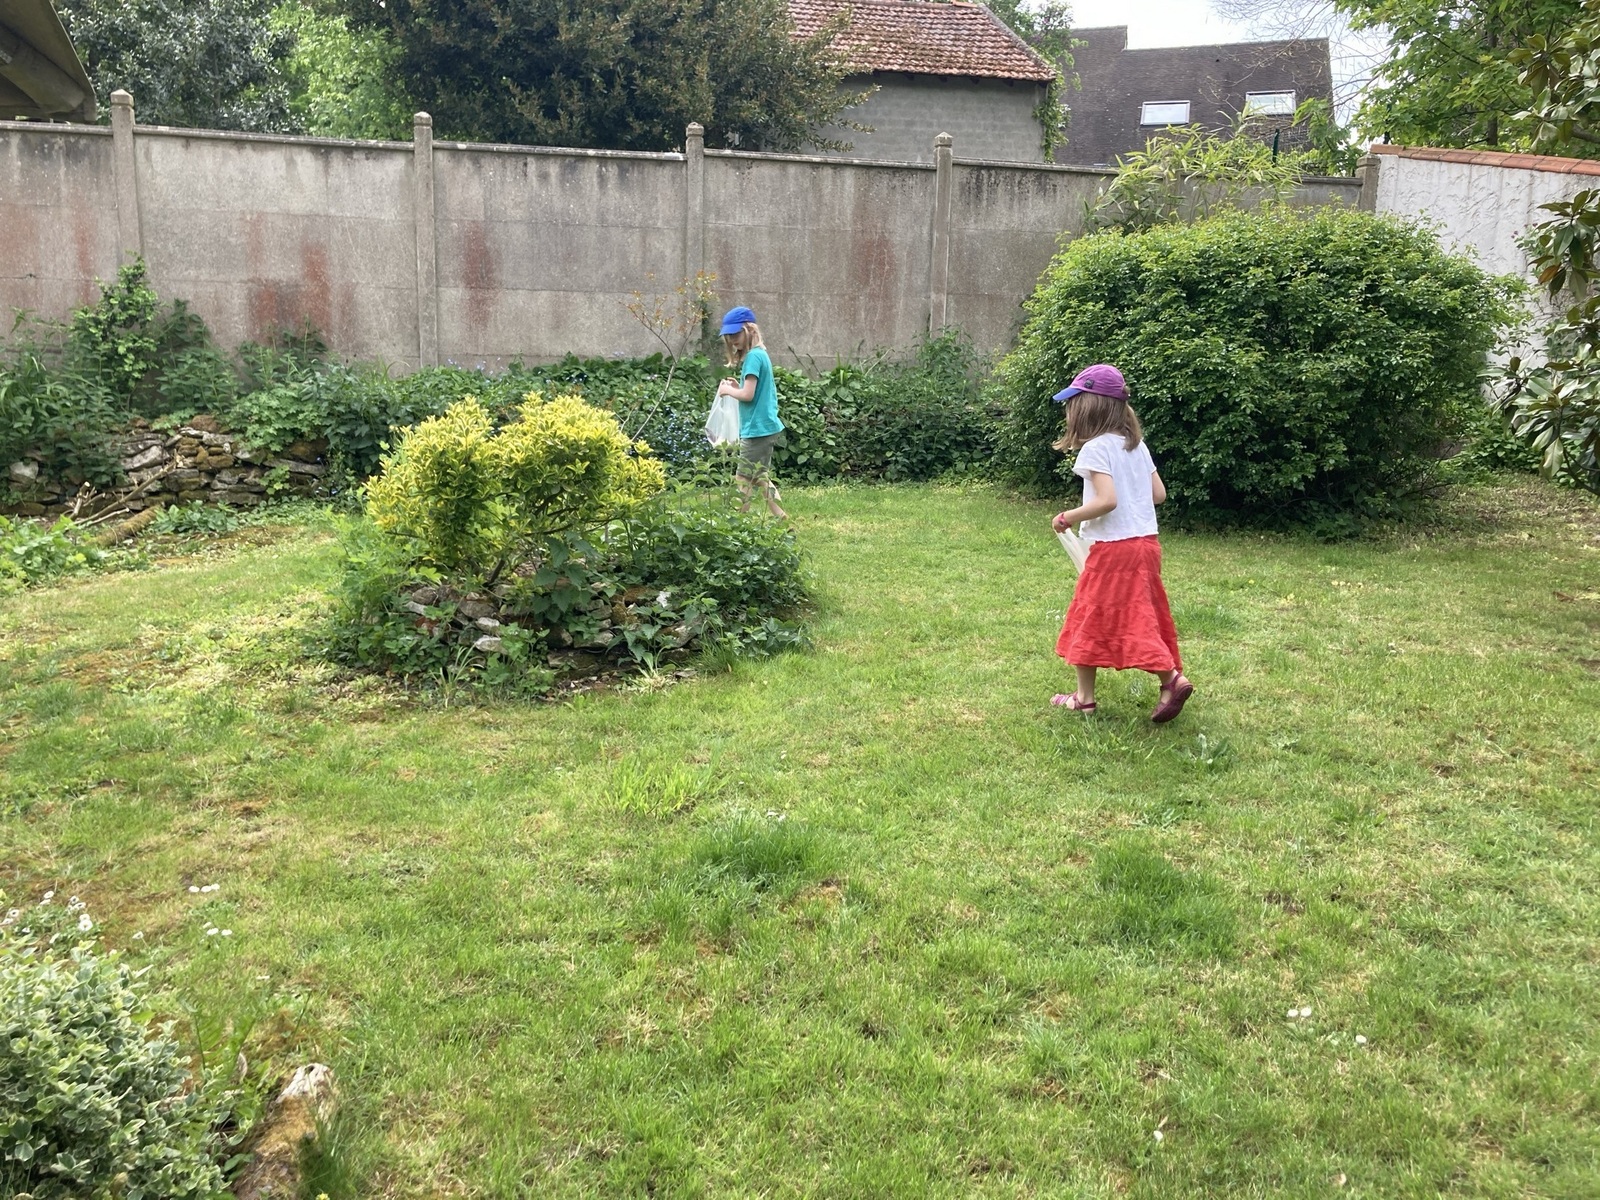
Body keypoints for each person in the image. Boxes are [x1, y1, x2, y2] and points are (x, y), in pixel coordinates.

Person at [1047, 364, 1193, 722]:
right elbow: (1159, 494)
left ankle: (1170, 679)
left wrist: (1067, 516)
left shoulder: (1095, 449)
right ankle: (1088, 696)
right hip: (1146, 545)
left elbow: (1107, 500)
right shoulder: (1136, 446)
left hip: (1114, 549)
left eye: (1074, 404)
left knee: (1093, 615)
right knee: (1127, 614)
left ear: (1088, 408)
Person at [715, 305, 787, 520]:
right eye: (729, 336)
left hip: (757, 428)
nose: (732, 340)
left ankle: (738, 525)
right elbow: (753, 392)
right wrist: (737, 387)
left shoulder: (753, 358)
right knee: (759, 476)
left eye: (736, 334)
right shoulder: (760, 355)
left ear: (750, 330)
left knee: (743, 478)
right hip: (764, 426)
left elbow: (748, 395)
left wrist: (728, 391)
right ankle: (781, 518)